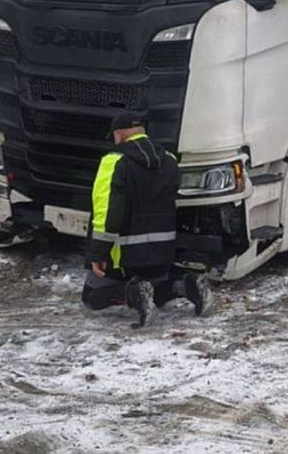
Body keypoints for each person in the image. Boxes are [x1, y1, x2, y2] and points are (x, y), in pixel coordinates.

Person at [82, 112, 212, 327]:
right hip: (162, 250)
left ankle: (132, 293)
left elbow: (106, 212)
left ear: (120, 133)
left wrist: (98, 252)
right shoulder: (169, 160)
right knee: (155, 289)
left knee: (92, 297)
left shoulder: (114, 161)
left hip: (124, 254)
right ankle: (188, 285)